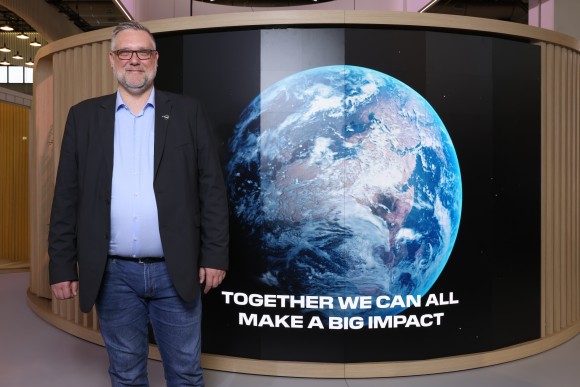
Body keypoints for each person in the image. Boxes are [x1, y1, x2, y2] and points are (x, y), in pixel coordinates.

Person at [48, 21, 229, 387]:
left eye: (142, 51)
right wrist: (62, 265)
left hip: (175, 271)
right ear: (112, 59)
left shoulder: (187, 113)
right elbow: (66, 196)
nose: (134, 60)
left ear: (155, 58)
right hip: (113, 275)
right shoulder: (83, 117)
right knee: (126, 373)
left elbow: (212, 189)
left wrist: (214, 256)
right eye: (125, 52)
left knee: (186, 373)